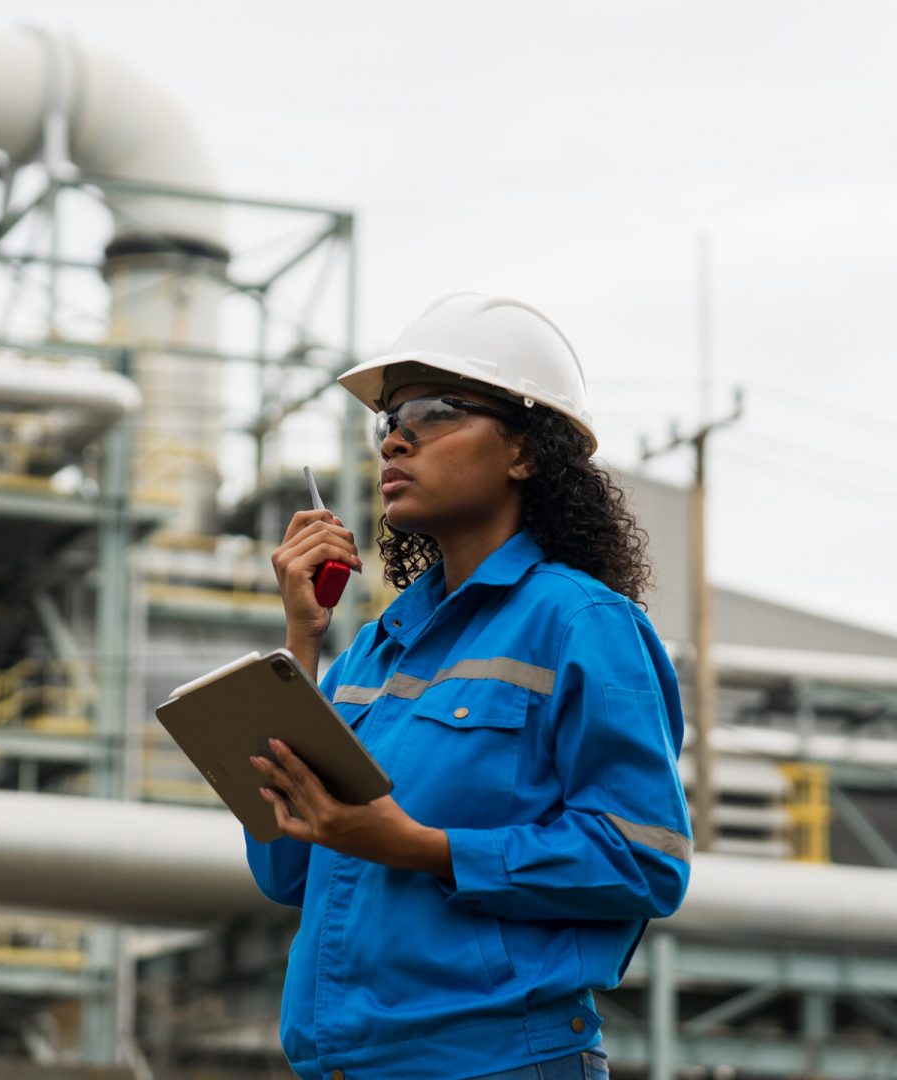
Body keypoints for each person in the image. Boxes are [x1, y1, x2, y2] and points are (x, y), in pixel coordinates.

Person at [246, 294, 692, 1080]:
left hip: (496, 1063)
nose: (397, 438)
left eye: (433, 409)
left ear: (525, 452)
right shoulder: (373, 653)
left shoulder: (583, 625)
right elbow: (286, 872)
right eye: (388, 419)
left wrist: (421, 849)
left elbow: (644, 859)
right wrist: (302, 645)